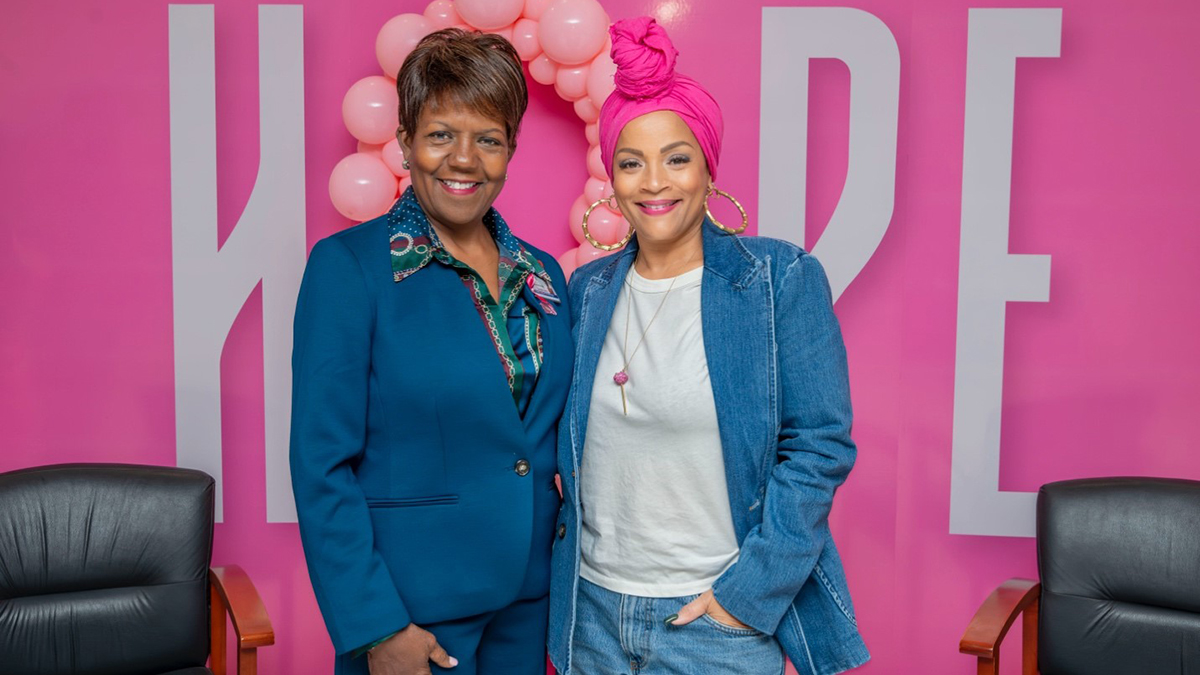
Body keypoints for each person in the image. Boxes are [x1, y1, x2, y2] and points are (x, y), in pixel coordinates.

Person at [547, 17, 869, 675]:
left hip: (711, 622)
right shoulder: (588, 289)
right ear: (612, 177)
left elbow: (820, 444)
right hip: (592, 615)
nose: (654, 182)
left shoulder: (779, 280)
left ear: (707, 167)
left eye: (677, 157)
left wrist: (744, 598)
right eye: (631, 163)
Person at [291, 29, 572, 675]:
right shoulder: (350, 269)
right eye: (443, 134)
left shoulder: (542, 273)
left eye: (489, 138)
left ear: (510, 150)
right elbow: (321, 463)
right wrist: (375, 624)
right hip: (412, 610)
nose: (464, 159)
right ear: (406, 140)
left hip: (529, 601)